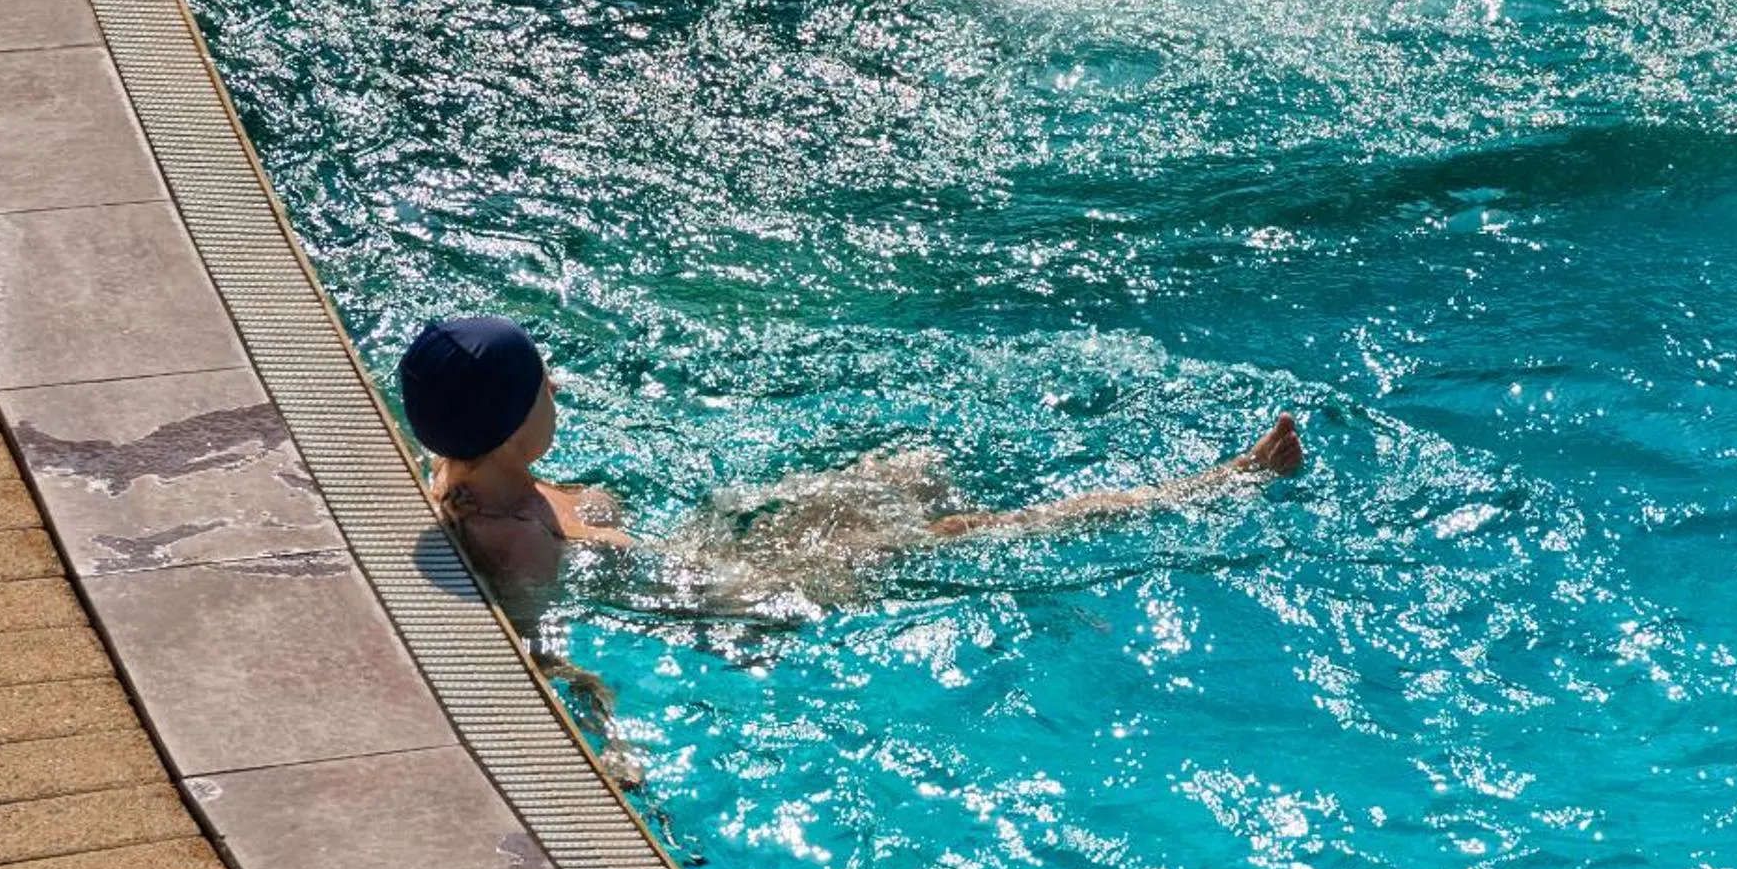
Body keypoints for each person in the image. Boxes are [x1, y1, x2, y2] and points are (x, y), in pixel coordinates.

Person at [397, 314, 1304, 611]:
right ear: (515, 424)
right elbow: (539, 655)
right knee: (957, 532)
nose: (558, 385)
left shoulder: (467, 477)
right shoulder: (514, 544)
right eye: (544, 383)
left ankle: (1212, 485)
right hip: (744, 591)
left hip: (702, 547)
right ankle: (1214, 485)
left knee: (902, 471)